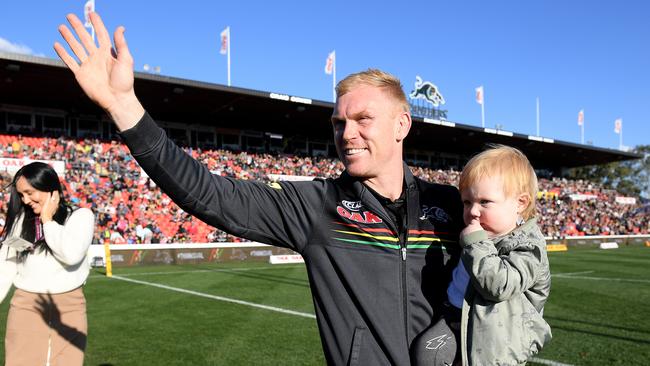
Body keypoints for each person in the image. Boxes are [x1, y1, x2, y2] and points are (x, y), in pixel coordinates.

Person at [55, 12, 464, 365]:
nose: (347, 133)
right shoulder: (318, 206)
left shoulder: (453, 207)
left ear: (402, 125)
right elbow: (209, 193)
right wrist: (123, 106)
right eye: (339, 123)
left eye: (363, 119)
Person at [412, 145, 552, 366]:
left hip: (496, 347)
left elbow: (500, 285)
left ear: (520, 203)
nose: (473, 211)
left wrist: (476, 243)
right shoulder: (479, 234)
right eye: (467, 202)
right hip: (454, 319)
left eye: (484, 202)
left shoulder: (528, 246)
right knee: (425, 352)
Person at [0, 162, 95, 365]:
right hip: (26, 305)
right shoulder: (20, 222)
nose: (25, 200)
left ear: (49, 187)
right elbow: (5, 268)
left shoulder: (80, 217)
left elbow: (71, 255)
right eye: (21, 195)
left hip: (70, 306)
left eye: (29, 192)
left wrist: (47, 220)